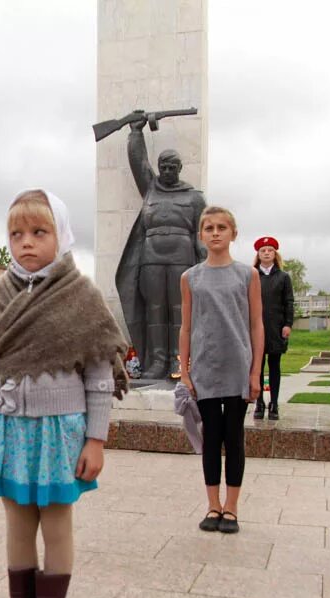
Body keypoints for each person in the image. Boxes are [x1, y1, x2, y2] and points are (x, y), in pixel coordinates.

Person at [0, 189, 128, 598]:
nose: (26, 243)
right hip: (9, 427)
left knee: (56, 524)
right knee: (18, 524)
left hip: (61, 429)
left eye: (39, 232)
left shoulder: (80, 295)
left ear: (61, 235)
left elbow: (100, 375)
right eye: (16, 234)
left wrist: (96, 438)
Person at [179, 206, 263, 535]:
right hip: (205, 367)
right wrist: (184, 370)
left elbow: (256, 324)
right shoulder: (190, 277)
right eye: (209, 228)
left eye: (222, 227)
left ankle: (232, 507)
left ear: (233, 233)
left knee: (235, 437)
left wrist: (256, 371)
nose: (215, 232)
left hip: (238, 367)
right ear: (200, 235)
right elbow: (186, 327)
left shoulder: (247, 275)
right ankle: (212, 504)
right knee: (211, 437)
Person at [115, 119, 207, 379]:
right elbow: (138, 163)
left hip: (182, 261)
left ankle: (180, 362)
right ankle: (156, 362)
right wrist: (135, 131)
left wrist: (203, 264)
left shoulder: (195, 197)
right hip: (151, 260)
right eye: (163, 167)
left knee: (180, 311)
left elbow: (201, 232)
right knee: (154, 311)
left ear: (179, 168)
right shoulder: (150, 189)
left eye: (171, 167)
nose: (166, 171)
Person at [252, 236, 294, 420]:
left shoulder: (283, 277)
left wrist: (288, 324)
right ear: (258, 255)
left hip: (276, 328)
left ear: (275, 254)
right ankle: (259, 403)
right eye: (263, 250)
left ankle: (274, 404)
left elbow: (289, 302)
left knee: (274, 366)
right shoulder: (251, 276)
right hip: (256, 328)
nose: (267, 253)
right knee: (257, 367)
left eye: (270, 250)